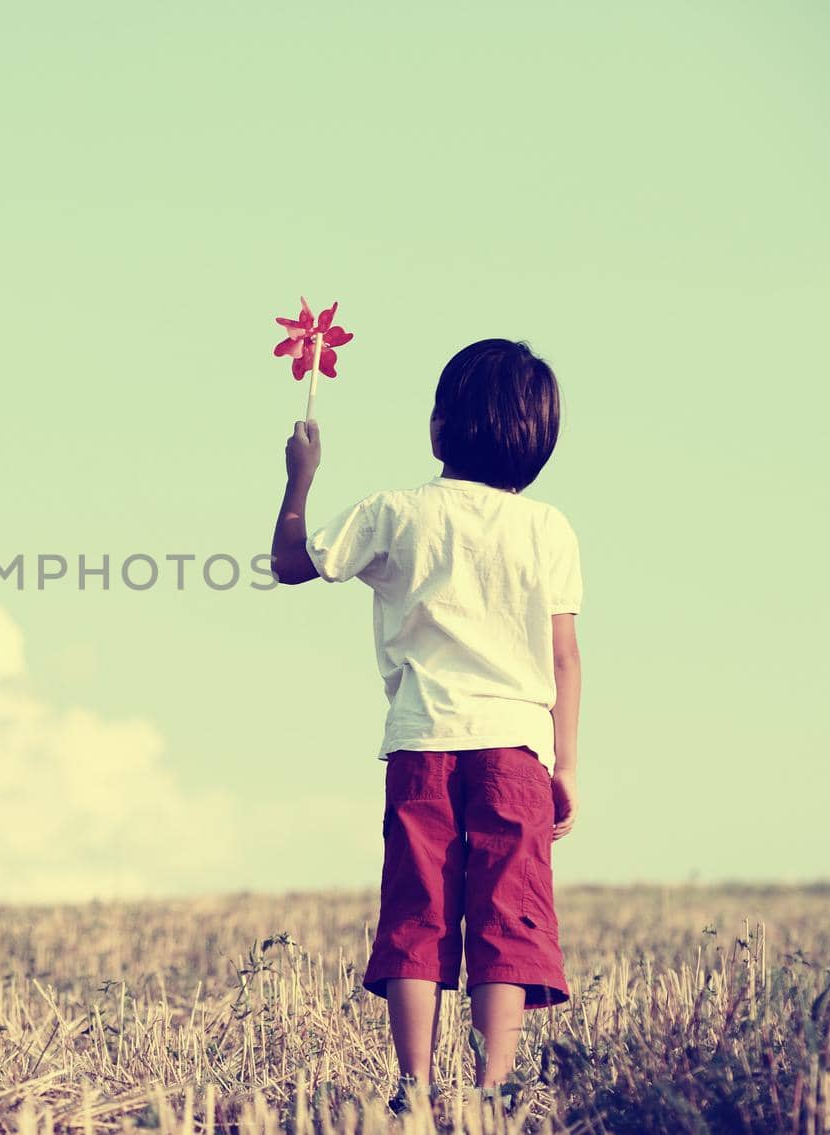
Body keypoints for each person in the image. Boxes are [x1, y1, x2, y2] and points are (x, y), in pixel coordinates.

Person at [268, 338, 582, 1109]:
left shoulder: (395, 513)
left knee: (419, 911)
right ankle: (493, 1087)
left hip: (423, 744)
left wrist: (300, 477)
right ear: (539, 440)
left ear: (439, 429)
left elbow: (288, 562)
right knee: (509, 913)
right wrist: (564, 765)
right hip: (516, 750)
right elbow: (565, 658)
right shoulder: (549, 529)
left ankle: (413, 1084)